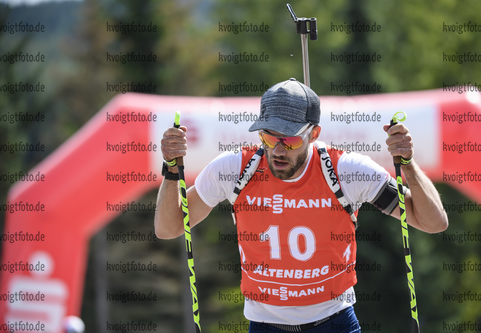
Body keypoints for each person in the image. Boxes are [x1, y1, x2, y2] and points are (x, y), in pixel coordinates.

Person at [154, 78, 448, 332]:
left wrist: (407, 165)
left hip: (334, 322)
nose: (279, 150)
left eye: (291, 139)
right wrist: (170, 170)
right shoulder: (235, 168)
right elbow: (168, 228)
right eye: (269, 136)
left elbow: (433, 222)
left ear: (314, 134)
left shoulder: (346, 170)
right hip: (265, 324)